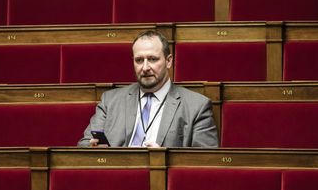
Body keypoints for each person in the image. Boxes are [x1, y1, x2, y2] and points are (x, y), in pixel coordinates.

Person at [78, 30, 218, 147]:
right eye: (139, 60)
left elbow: (205, 160)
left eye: (152, 59)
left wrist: (163, 158)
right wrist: (93, 147)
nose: (145, 68)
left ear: (168, 61)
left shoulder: (197, 106)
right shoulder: (110, 101)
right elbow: (83, 144)